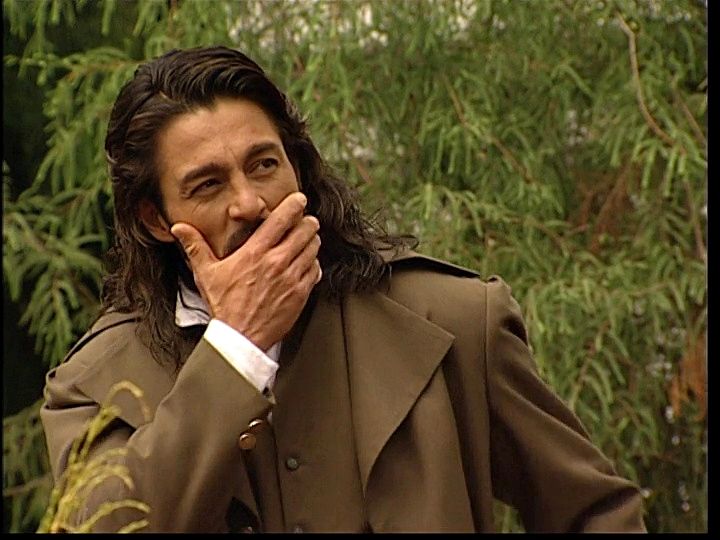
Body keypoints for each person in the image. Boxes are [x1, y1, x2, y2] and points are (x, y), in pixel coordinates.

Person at [40, 46, 647, 533]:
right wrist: (236, 348)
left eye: (264, 165)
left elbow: (595, 512)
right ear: (154, 219)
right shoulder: (95, 384)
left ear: (297, 166)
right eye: (207, 185)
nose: (250, 202)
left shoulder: (452, 321)